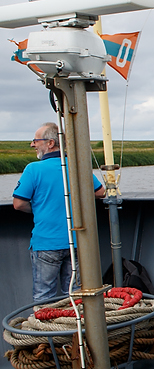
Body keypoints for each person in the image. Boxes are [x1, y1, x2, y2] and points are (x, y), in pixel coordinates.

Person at [12, 122, 104, 303]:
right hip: (78, 242)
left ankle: (48, 331)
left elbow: (18, 204)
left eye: (36, 140)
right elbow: (100, 192)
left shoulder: (33, 169)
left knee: (44, 296)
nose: (33, 145)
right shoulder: (78, 166)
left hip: (46, 243)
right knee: (77, 295)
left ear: (50, 143)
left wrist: (39, 208)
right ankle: (77, 330)